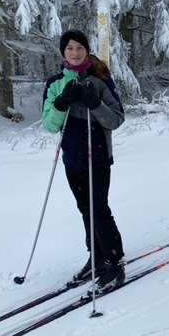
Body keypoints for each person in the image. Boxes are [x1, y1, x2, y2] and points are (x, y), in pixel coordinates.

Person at [42, 29, 126, 294]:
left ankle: (114, 260)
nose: (75, 53)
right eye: (69, 48)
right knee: (85, 209)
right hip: (73, 158)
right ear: (63, 53)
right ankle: (97, 257)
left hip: (98, 155)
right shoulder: (55, 83)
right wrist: (62, 102)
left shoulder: (100, 79)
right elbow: (49, 125)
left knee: (99, 209)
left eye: (79, 48)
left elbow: (116, 119)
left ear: (87, 51)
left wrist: (94, 103)